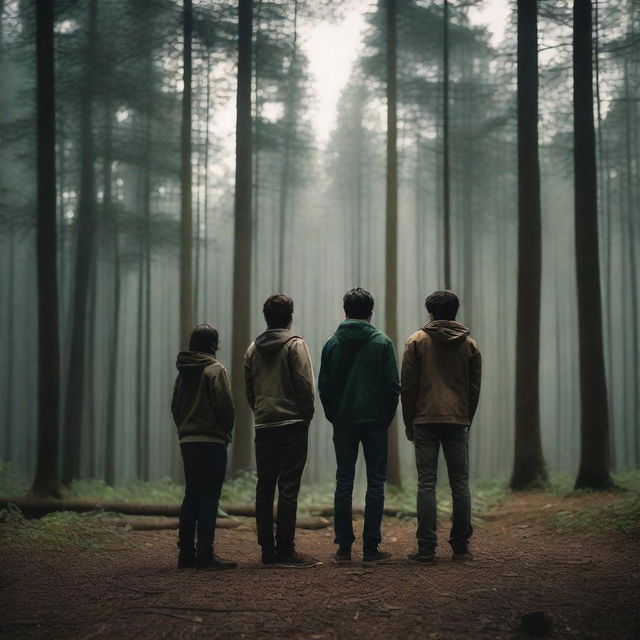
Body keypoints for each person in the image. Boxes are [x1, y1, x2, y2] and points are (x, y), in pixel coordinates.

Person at [318, 288, 400, 566]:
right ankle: (371, 548)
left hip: (344, 422)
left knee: (344, 481)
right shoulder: (382, 343)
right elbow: (393, 387)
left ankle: (343, 548)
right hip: (375, 421)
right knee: (376, 482)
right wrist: (385, 416)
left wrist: (334, 414)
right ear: (370, 312)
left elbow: (324, 387)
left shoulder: (331, 344)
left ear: (345, 311)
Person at [401, 290, 482, 564]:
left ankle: (426, 548)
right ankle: (461, 548)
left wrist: (408, 420)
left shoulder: (417, 341)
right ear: (455, 311)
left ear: (430, 312)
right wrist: (465, 415)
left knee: (427, 483)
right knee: (460, 482)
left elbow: (408, 387)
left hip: (424, 419)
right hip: (457, 419)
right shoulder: (469, 344)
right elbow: (474, 388)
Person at [244, 294, 318, 568]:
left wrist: (262, 412)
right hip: (292, 424)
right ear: (290, 316)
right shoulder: (295, 345)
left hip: (264, 425)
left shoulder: (252, 349)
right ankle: (286, 551)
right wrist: (305, 416)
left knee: (265, 487)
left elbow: (249, 388)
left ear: (266, 318)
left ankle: (267, 550)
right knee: (288, 487)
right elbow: (305, 386)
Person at [171, 323, 237, 570]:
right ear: (213, 345)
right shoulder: (215, 369)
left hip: (188, 441)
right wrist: (224, 430)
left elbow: (175, 406)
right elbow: (225, 407)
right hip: (212, 441)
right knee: (210, 496)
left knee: (192, 494)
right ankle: (205, 555)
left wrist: (184, 430)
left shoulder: (182, 372)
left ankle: (186, 554)